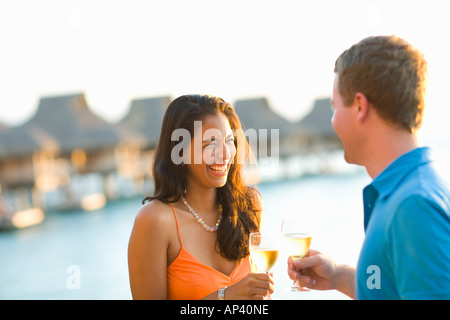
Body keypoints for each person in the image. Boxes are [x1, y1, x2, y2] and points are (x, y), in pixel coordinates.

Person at [288, 35, 450, 299]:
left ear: (360, 106)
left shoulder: (414, 205)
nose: (332, 121)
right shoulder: (405, 192)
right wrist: (340, 276)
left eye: (335, 107)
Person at [128, 94, 274, 300]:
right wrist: (223, 297)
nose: (225, 154)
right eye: (209, 144)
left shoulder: (248, 204)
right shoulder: (155, 220)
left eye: (229, 140)